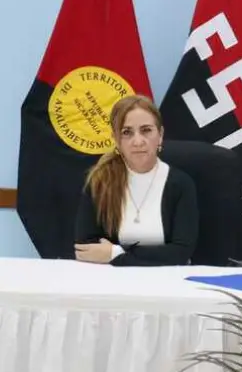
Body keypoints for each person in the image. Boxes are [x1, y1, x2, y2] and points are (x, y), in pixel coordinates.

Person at [74, 94, 198, 266]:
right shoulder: (101, 181)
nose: (138, 141)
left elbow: (180, 253)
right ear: (116, 139)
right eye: (127, 132)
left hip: (168, 279)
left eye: (146, 130)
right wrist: (149, 255)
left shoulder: (181, 184)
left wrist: (115, 252)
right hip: (113, 279)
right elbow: (85, 249)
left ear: (160, 135)